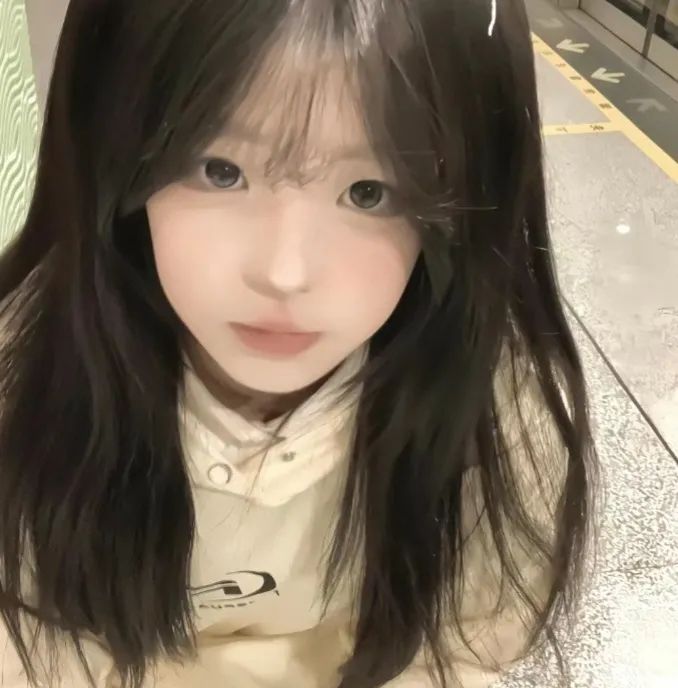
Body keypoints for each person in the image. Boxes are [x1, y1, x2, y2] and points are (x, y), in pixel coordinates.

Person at [0, 0, 599, 686]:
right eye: (220, 169)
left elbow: (467, 642)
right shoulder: (25, 378)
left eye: (370, 191)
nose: (285, 272)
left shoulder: (500, 420)